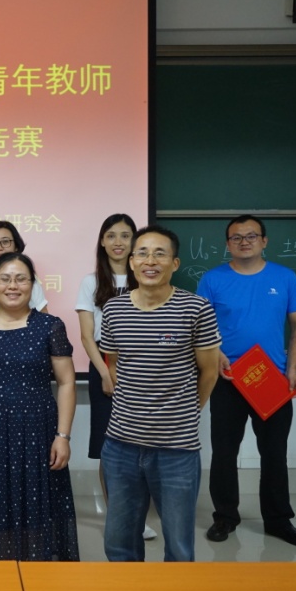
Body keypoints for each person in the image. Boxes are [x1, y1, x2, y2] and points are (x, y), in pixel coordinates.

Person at [100, 225, 221, 563]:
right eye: (142, 253)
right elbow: (114, 365)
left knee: (179, 547)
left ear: (175, 263)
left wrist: (186, 412)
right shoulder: (114, 310)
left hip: (176, 449)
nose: (150, 261)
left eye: (159, 254)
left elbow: (209, 372)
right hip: (121, 445)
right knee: (119, 543)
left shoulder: (196, 308)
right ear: (132, 262)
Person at [197, 215, 296, 547]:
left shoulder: (284, 277)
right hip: (227, 378)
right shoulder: (212, 279)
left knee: (274, 453)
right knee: (224, 453)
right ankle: (225, 517)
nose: (244, 241)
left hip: (271, 379)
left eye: (251, 236)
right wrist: (216, 353)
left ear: (264, 241)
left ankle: (278, 520)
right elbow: (200, 327)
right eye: (236, 237)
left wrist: (292, 368)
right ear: (227, 244)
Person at [0, 252, 79, 561]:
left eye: (21, 279)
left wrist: (63, 436)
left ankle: (34, 567)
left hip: (38, 432)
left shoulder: (50, 326)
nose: (12, 286)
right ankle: (0, 569)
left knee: (36, 501)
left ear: (32, 284)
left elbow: (67, 382)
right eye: (4, 279)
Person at [74, 213, 156, 541]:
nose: (118, 242)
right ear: (102, 241)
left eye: (125, 235)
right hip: (104, 366)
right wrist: (106, 373)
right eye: (111, 235)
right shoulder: (91, 282)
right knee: (111, 447)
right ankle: (117, 515)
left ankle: (139, 514)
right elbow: (86, 336)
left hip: (145, 366)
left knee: (143, 444)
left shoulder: (148, 276)